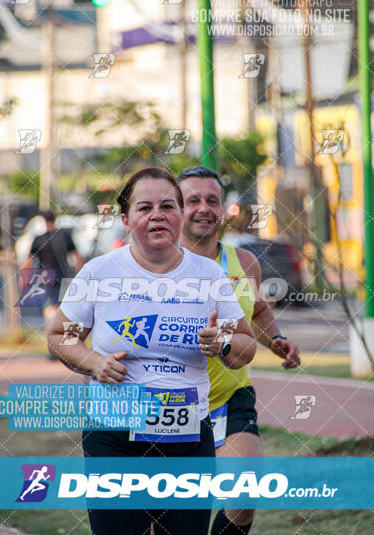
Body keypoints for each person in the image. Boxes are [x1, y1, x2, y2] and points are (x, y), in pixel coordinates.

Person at [48, 167, 256, 535]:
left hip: (188, 439)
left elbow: (245, 346)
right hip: (114, 437)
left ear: (179, 215)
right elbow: (58, 335)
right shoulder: (100, 273)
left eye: (167, 206)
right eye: (145, 207)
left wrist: (222, 343)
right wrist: (95, 362)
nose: (157, 215)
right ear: (126, 219)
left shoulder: (209, 275)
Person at [178, 166, 301, 535]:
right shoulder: (156, 264)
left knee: (243, 495)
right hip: (170, 404)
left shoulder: (244, 263)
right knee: (167, 516)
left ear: (223, 209)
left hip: (230, 395)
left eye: (212, 200)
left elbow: (259, 310)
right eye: (192, 200)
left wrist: (275, 340)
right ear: (175, 208)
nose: (203, 208)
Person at [21, 210, 83, 323]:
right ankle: (59, 330)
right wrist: (79, 276)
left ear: (44, 221)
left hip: (45, 277)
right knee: (62, 305)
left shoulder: (39, 239)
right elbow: (78, 258)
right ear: (54, 220)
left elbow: (28, 261)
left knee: (49, 306)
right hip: (64, 275)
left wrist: (24, 279)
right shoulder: (65, 237)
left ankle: (52, 330)